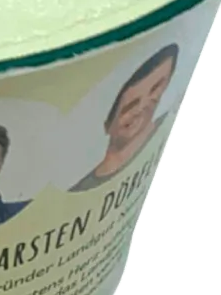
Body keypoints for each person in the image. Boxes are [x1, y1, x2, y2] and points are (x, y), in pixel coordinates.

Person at [70, 44, 179, 192]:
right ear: (107, 124)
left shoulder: (166, 124)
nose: (141, 109)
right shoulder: (82, 189)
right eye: (129, 107)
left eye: (155, 92)